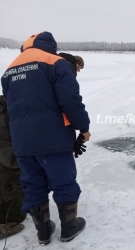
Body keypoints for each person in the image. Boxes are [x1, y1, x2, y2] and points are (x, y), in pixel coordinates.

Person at [1, 32, 91, 245]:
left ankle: (43, 231)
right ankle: (69, 227)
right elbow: (70, 99)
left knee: (32, 183)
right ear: (50, 45)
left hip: (22, 141)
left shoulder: (9, 70)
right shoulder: (55, 62)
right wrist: (83, 128)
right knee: (63, 180)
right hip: (53, 138)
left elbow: (10, 106)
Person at [0, 96, 26, 240]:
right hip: (6, 179)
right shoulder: (3, 116)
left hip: (10, 177)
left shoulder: (12, 109)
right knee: (17, 214)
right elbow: (8, 157)